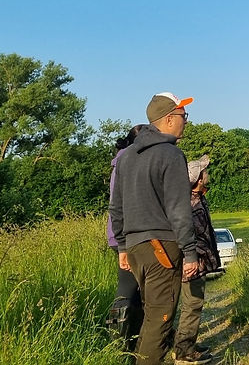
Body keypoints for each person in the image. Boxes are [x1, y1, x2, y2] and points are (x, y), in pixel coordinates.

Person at [109, 92, 201, 365]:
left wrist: (123, 248)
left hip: (136, 249)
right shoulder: (170, 154)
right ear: (169, 119)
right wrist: (191, 252)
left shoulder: (126, 157)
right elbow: (179, 209)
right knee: (159, 320)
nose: (185, 121)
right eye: (183, 116)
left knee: (151, 316)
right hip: (162, 246)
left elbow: (116, 207)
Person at [172, 154, 221, 363]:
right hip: (192, 262)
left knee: (194, 305)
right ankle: (184, 351)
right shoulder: (189, 203)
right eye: (203, 171)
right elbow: (187, 234)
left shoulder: (198, 198)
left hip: (197, 261)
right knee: (192, 306)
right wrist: (191, 258)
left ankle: (187, 344)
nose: (207, 173)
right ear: (198, 179)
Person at [106, 124, 147, 355]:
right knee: (128, 292)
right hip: (127, 235)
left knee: (129, 292)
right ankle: (123, 346)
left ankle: (125, 344)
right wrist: (123, 242)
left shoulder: (121, 160)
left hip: (121, 234)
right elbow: (119, 205)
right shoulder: (127, 162)